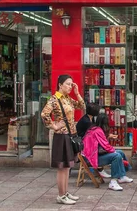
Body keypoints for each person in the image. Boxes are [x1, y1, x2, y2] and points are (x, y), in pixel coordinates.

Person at [41, 74, 85, 205]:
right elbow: (44, 114)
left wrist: (77, 93)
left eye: (71, 84)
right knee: (62, 167)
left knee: (67, 166)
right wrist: (54, 126)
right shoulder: (54, 99)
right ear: (60, 85)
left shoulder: (68, 98)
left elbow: (81, 106)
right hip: (61, 136)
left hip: (70, 134)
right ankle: (61, 195)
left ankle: (65, 192)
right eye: (67, 84)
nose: (70, 86)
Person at [82, 114, 133, 191]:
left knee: (120, 152)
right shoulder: (98, 131)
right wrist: (114, 151)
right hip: (92, 158)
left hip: (94, 155)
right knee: (117, 156)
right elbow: (106, 145)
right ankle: (113, 182)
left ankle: (122, 176)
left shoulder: (95, 129)